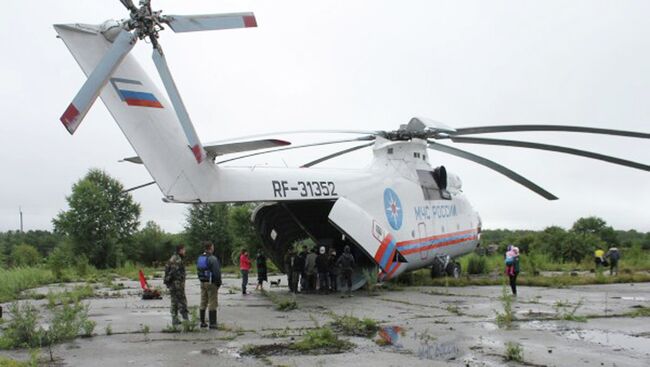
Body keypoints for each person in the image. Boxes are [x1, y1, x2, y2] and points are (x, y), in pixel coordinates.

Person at [197, 241, 221, 329]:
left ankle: (202, 322)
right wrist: (218, 283)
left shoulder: (200, 258)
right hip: (211, 283)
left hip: (202, 282)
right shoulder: (212, 258)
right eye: (213, 246)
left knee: (203, 301)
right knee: (212, 302)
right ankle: (213, 323)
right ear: (211, 247)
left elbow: (198, 270)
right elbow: (216, 273)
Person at [164, 244, 188, 326]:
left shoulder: (172, 258)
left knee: (174, 301)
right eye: (184, 250)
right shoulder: (177, 259)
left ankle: (175, 319)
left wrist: (167, 281)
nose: (185, 252)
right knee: (182, 301)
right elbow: (173, 272)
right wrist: (172, 280)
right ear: (180, 250)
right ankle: (186, 319)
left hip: (172, 284)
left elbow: (167, 270)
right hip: (177, 284)